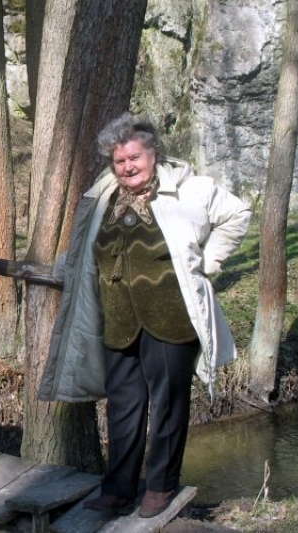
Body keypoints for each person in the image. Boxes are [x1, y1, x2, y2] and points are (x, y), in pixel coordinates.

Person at [37, 113, 251, 518]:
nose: (127, 167)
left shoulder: (191, 188)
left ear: (153, 154)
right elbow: (86, 244)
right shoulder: (103, 195)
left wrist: (209, 261)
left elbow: (238, 214)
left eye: (134, 157)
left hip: (171, 318)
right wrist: (67, 268)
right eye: (119, 161)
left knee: (168, 404)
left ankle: (160, 486)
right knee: (123, 406)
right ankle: (117, 489)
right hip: (118, 321)